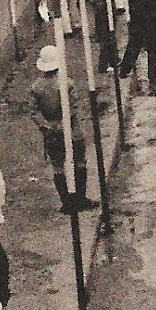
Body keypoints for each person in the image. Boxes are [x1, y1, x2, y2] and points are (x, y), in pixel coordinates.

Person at [29, 45, 94, 213]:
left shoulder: (36, 87)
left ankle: (66, 203)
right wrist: (62, 124)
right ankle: (81, 198)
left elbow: (34, 112)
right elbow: (72, 108)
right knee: (79, 162)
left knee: (58, 165)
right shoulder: (67, 82)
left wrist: (48, 125)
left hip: (51, 133)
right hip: (72, 130)